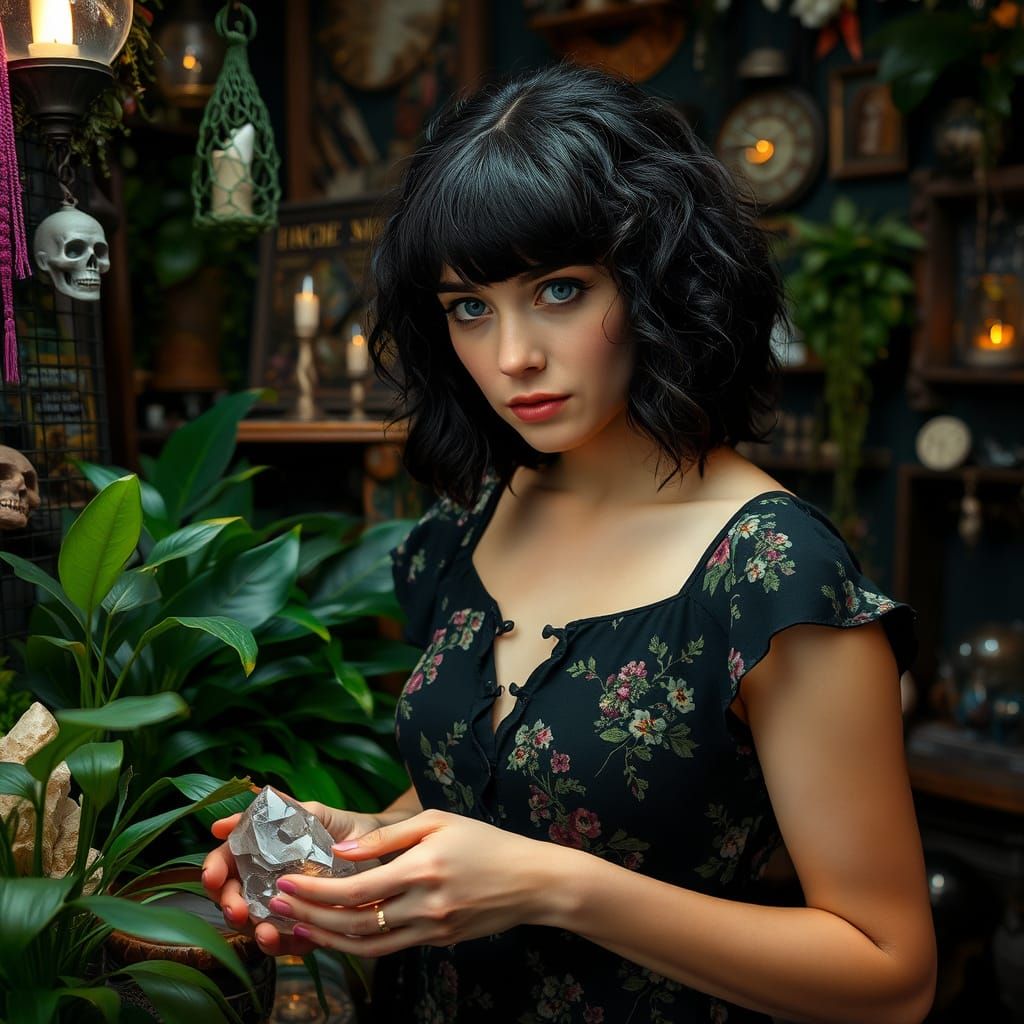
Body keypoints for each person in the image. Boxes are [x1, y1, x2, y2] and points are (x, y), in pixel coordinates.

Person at [204, 62, 936, 1023]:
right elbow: (493, 790)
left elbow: (891, 975)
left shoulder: (770, 575)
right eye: (471, 306)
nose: (512, 356)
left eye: (558, 291)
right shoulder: (472, 524)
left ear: (659, 283)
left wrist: (559, 886)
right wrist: (356, 848)